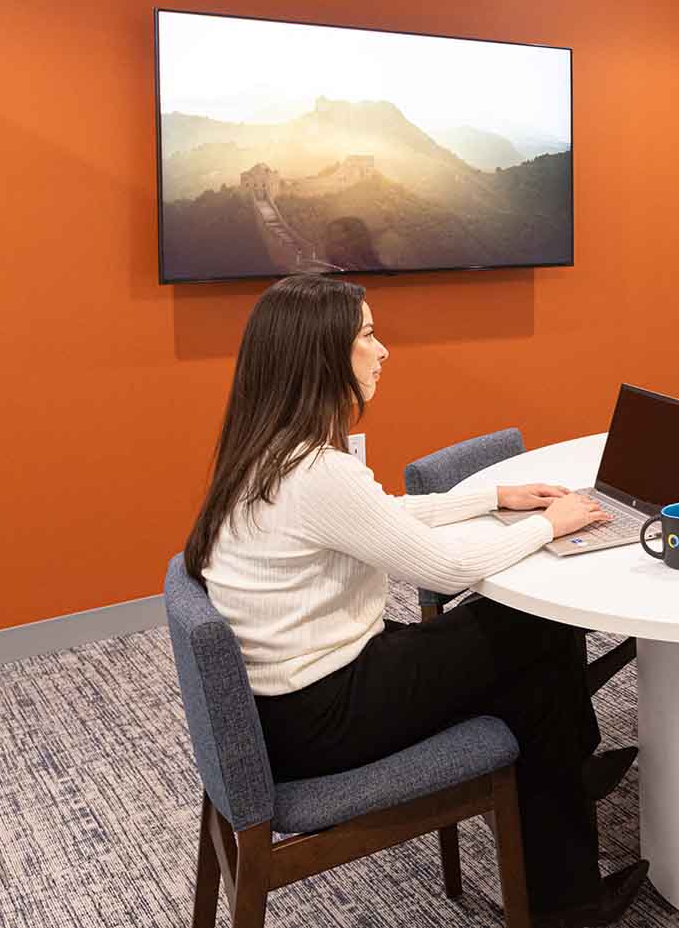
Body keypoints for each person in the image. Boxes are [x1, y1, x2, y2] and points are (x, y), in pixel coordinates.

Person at [183, 274, 646, 928]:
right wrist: (551, 524)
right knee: (534, 631)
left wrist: (494, 498)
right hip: (322, 715)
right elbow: (445, 568)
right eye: (368, 335)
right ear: (323, 356)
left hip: (285, 706)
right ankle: (568, 878)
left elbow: (381, 515)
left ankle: (564, 784)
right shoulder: (317, 472)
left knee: (529, 669)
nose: (383, 351)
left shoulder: (263, 455)